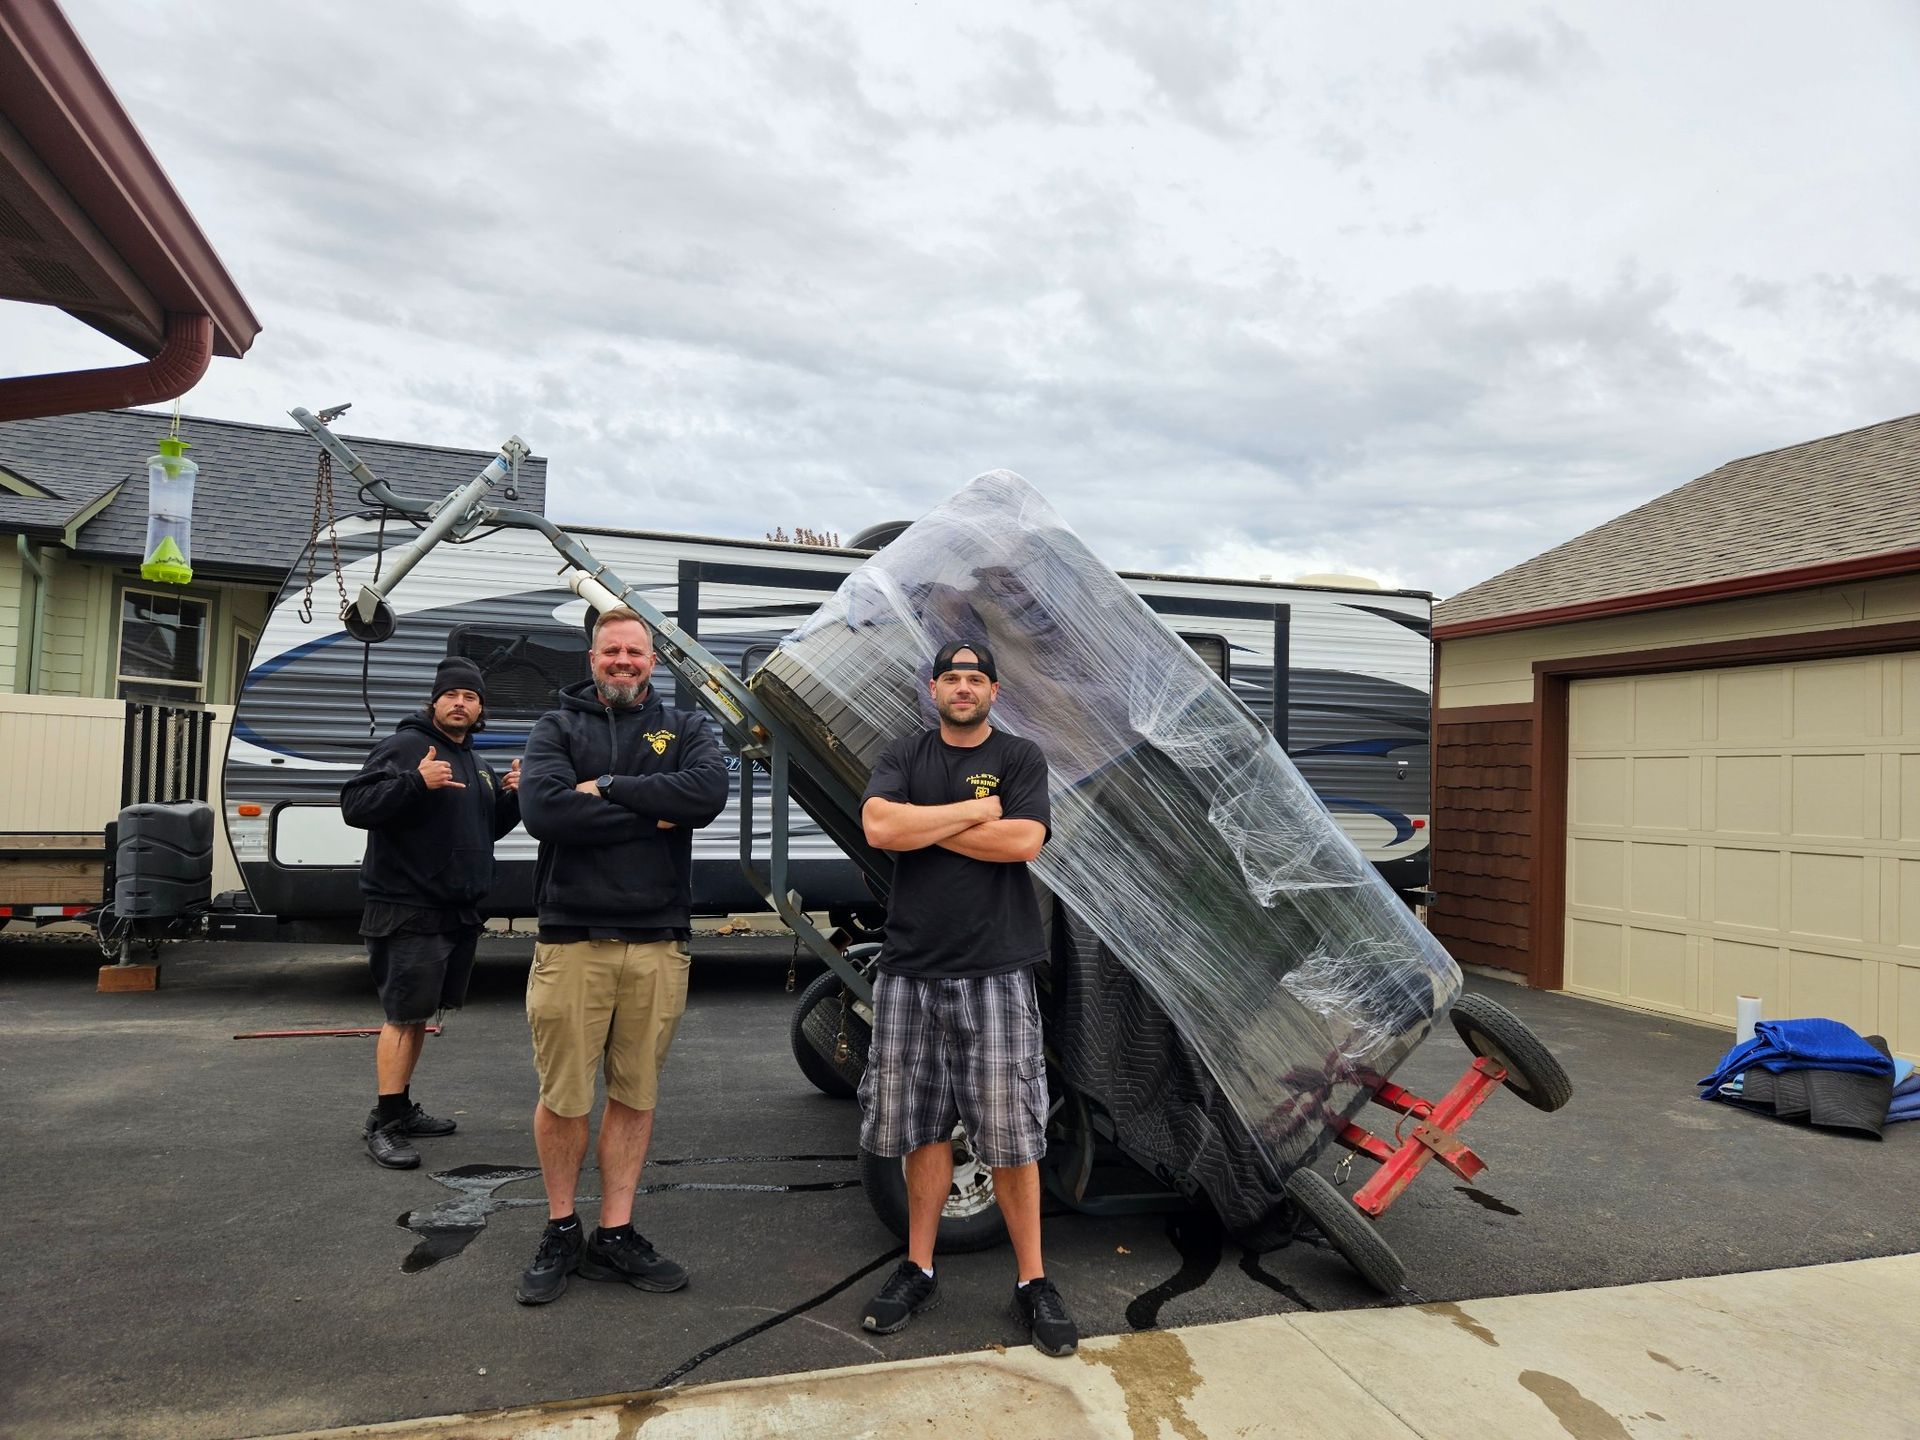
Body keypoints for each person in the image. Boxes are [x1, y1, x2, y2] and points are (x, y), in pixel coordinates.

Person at [855, 640, 1078, 1357]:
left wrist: (930, 824)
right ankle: (918, 1267)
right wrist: (973, 813)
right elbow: (881, 828)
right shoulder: (904, 753)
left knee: (1011, 1134)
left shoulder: (1020, 759)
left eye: (974, 678)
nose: (961, 686)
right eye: (950, 677)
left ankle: (1032, 1281)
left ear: (992, 691)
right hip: (910, 970)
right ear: (932, 689)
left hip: (996, 970)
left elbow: (1023, 843)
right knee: (920, 1128)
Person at [512, 607, 729, 1305]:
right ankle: (559, 1225)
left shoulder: (686, 726)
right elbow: (544, 812)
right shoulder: (556, 727)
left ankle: (614, 1233)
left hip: (658, 941)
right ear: (592, 658)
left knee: (634, 1097)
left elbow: (706, 793)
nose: (624, 661)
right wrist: (651, 812)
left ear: (653, 661)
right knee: (565, 1097)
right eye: (612, 651)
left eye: (636, 651)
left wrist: (604, 788)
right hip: (572, 939)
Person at [341, 655, 521, 1170]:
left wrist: (512, 800)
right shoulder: (406, 747)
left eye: (470, 697)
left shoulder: (477, 763)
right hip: (406, 907)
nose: (460, 703)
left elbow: (481, 834)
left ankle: (400, 1107)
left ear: (481, 708)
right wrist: (414, 781)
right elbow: (354, 805)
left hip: (455, 909)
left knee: (421, 1016)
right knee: (401, 1016)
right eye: (451, 695)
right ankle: (384, 1122)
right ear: (435, 701)